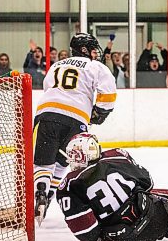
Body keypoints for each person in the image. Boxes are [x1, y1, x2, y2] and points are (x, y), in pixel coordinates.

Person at [33, 32, 117, 225]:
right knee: (63, 162)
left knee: (43, 163)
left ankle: (41, 193)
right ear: (85, 50)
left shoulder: (56, 65)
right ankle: (50, 196)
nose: (96, 54)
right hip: (76, 119)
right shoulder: (95, 66)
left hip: (46, 114)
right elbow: (108, 94)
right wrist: (98, 114)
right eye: (93, 50)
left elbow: (49, 88)